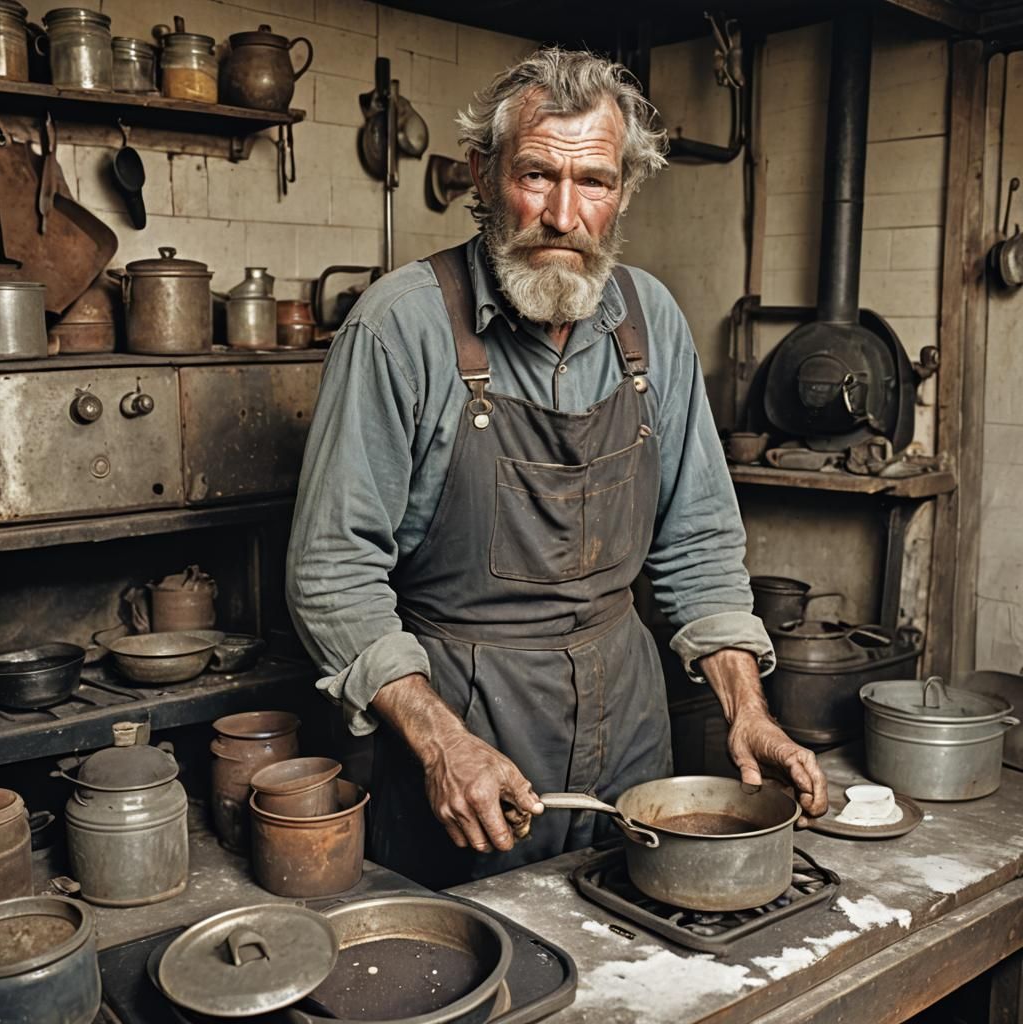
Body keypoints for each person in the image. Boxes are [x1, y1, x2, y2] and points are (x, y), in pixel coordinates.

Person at [287, 48, 827, 889]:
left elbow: (700, 542)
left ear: (624, 193)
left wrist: (746, 707)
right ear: (484, 172)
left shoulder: (652, 323)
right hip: (468, 735)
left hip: (632, 722)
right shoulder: (401, 328)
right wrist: (441, 743)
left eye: (596, 183)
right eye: (537, 175)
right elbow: (332, 573)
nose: (564, 215)